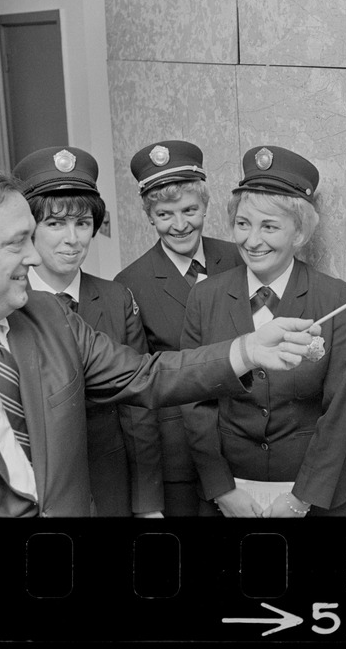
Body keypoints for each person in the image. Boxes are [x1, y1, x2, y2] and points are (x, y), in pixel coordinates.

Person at [0, 165, 319, 518]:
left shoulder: (49, 317)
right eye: (16, 243)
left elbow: (147, 375)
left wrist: (247, 350)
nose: (35, 257)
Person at [181, 145, 346, 518]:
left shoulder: (334, 298)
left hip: (311, 494)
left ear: (299, 234)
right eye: (243, 224)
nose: (252, 240)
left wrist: (301, 499)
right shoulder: (204, 297)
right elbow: (193, 400)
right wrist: (221, 490)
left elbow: (340, 409)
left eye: (269, 226)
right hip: (229, 493)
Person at [12, 145, 162, 518]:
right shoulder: (11, 302)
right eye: (55, 223)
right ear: (30, 229)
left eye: (82, 223)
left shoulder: (115, 297)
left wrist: (146, 503)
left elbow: (138, 407)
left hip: (110, 482)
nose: (72, 238)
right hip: (36, 489)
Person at [115, 140, 242, 517]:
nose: (180, 224)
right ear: (149, 217)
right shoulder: (129, 284)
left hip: (245, 440)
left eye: (190, 210)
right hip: (180, 456)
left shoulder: (238, 259)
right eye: (165, 214)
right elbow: (137, 391)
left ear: (206, 207)